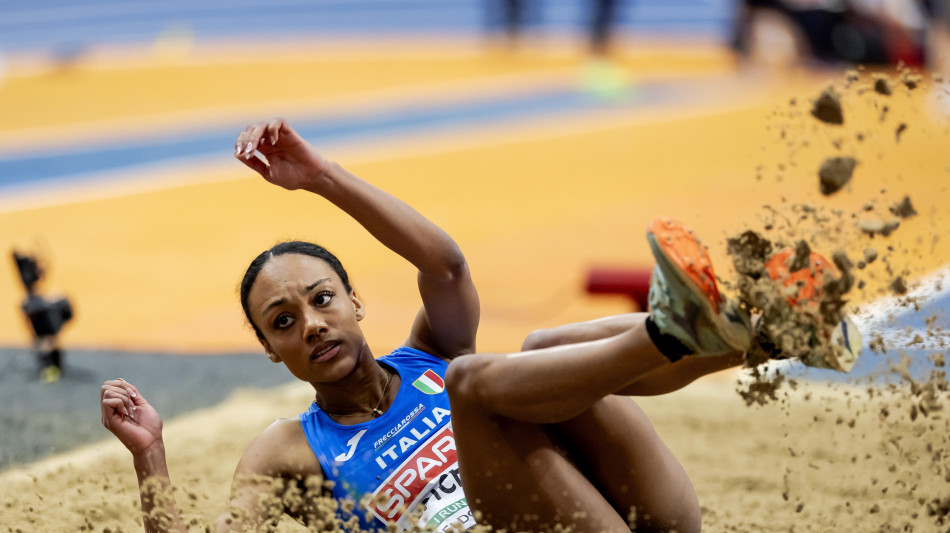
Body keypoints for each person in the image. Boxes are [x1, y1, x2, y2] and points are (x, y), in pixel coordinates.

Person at [100, 118, 858, 533]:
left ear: (358, 302)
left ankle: (760, 334)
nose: (313, 324)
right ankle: (683, 329)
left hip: (631, 514)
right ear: (271, 350)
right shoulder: (290, 449)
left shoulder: (430, 350)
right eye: (284, 320)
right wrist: (150, 455)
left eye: (323, 299)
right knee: (479, 377)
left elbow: (447, 265)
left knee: (539, 351)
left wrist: (323, 178)